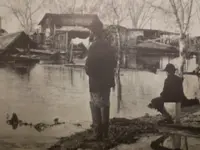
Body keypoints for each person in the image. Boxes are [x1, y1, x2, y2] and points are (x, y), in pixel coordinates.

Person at [85, 22, 117, 140]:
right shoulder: (108, 46)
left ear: (93, 32)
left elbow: (89, 66)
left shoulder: (93, 46)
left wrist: (89, 72)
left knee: (95, 104)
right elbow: (114, 63)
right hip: (107, 81)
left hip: (96, 81)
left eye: (91, 31)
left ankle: (97, 133)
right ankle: (105, 133)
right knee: (105, 105)